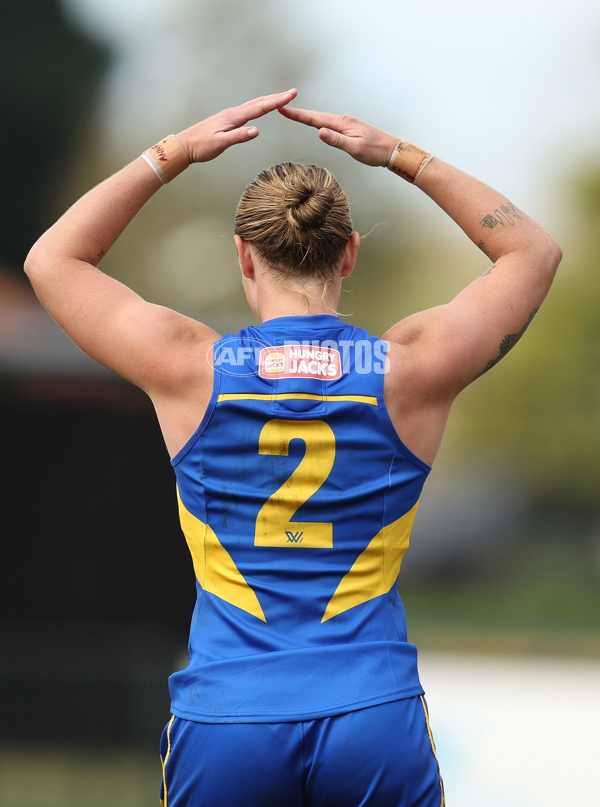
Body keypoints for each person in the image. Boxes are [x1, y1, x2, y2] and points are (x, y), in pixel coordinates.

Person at [24, 89, 562, 807]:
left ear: (244, 258)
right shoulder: (409, 372)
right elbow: (531, 250)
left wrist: (174, 153)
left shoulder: (189, 368)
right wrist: (401, 155)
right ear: (350, 253)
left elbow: (53, 259)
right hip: (372, 715)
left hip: (229, 719)